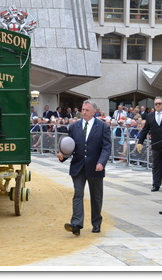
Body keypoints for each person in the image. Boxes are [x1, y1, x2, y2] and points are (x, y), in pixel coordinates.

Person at [57, 100, 111, 236]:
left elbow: (106, 147)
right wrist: (63, 157)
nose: (84, 112)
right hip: (78, 167)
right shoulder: (74, 127)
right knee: (78, 194)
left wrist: (101, 162)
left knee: (96, 197)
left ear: (94, 112)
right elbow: (70, 147)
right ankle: (76, 224)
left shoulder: (103, 127)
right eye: (82, 109)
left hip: (95, 167)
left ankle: (96, 223)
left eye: (87, 110)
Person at [136, 96, 162, 192]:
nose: (158, 105)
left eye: (159, 103)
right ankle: (156, 184)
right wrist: (140, 142)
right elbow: (145, 130)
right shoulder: (150, 116)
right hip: (155, 144)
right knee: (156, 165)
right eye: (156, 104)